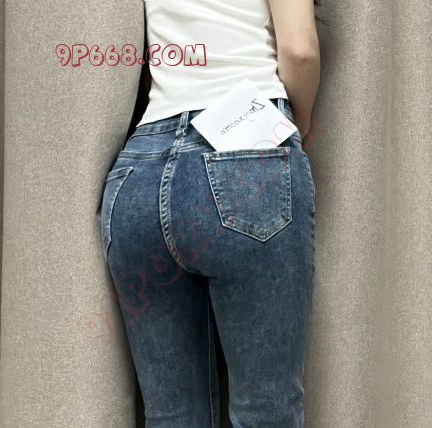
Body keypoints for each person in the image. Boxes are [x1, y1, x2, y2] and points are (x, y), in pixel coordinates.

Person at [98, 1, 320, 427]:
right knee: (266, 412)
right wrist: (303, 122)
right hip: (247, 155)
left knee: (172, 416)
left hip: (138, 172)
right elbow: (301, 51)